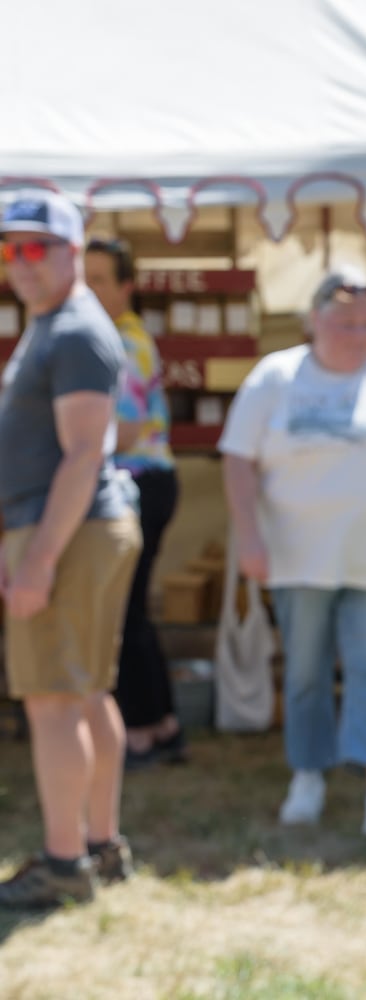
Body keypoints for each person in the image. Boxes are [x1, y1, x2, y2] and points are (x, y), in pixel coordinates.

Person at [218, 264, 366, 836]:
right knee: (304, 670)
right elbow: (237, 459)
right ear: (313, 321)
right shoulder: (275, 376)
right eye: (346, 323)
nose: (359, 335)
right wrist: (248, 536)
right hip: (296, 558)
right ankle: (308, 776)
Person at [0, 193, 143, 908]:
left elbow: (84, 452)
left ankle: (63, 866)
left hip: (68, 530)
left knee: (54, 700)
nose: (20, 264)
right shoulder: (56, 323)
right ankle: (98, 846)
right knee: (84, 693)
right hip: (77, 528)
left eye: (36, 248)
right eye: (10, 249)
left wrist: (37, 559)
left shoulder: (75, 331)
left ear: (72, 252)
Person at [83, 237, 185, 769]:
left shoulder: (120, 342)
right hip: (145, 481)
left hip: (137, 482)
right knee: (133, 608)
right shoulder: (115, 336)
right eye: (84, 277)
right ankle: (163, 724)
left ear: (127, 286)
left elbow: (120, 433)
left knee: (125, 610)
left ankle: (142, 732)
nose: (89, 289)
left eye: (100, 278)